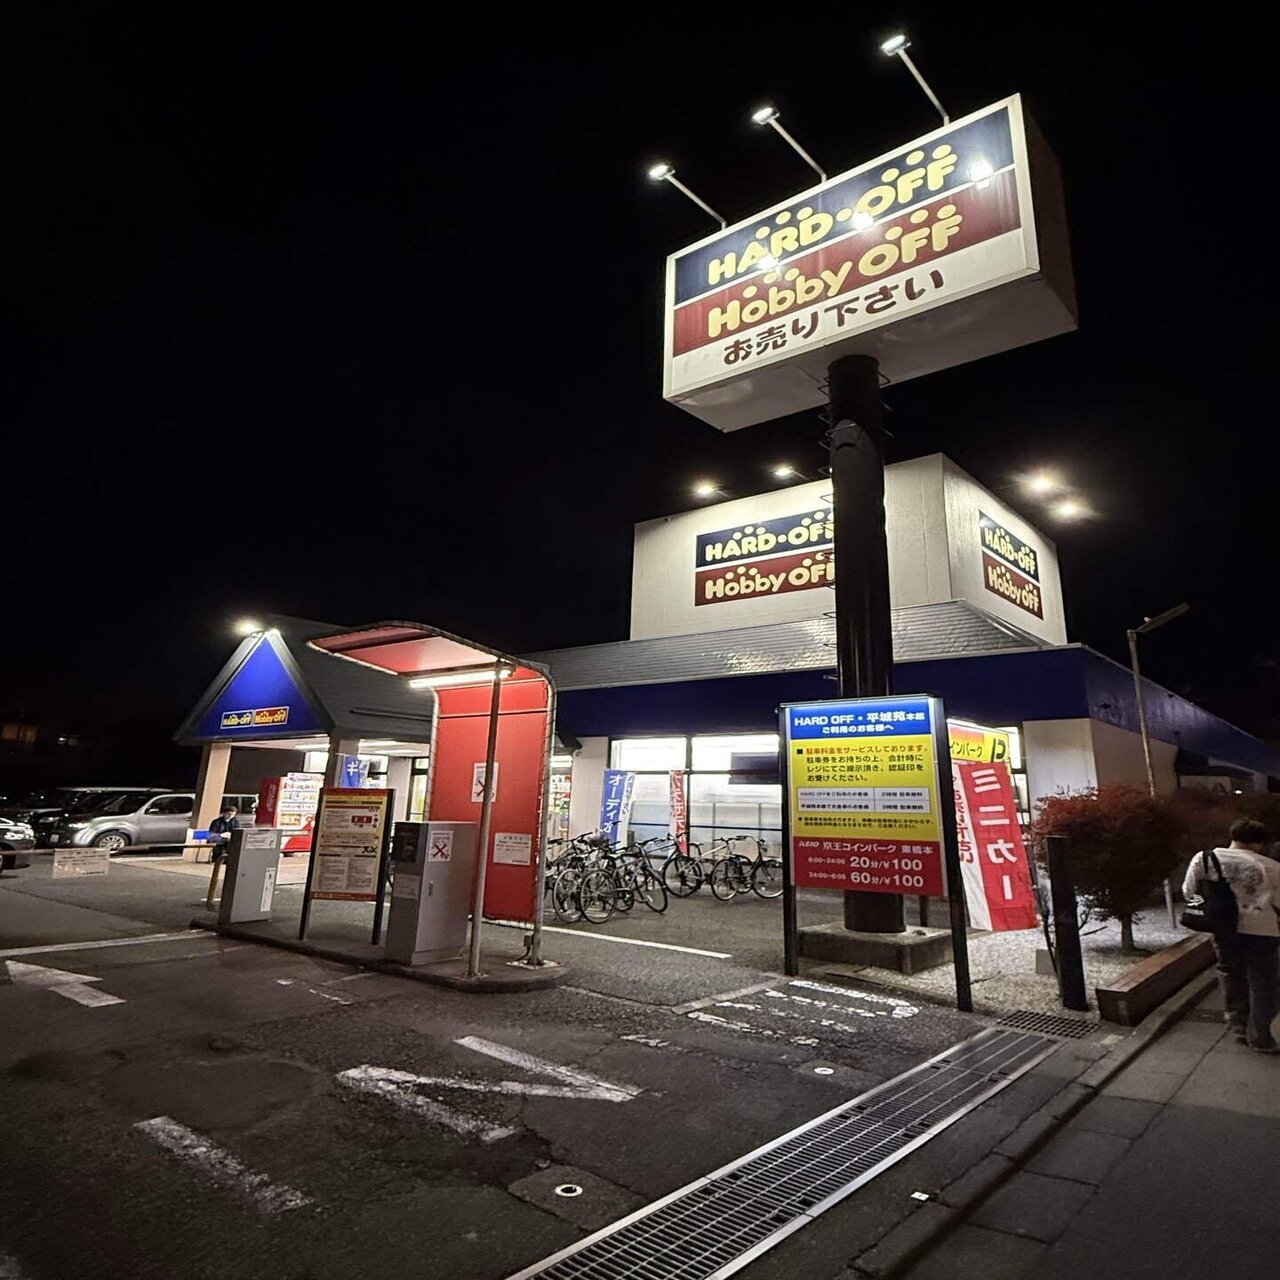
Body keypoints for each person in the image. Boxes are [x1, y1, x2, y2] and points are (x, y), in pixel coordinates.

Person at [1183, 818, 1280, 1053]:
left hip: (1225, 929)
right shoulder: (1272, 867)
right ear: (1259, 843)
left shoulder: (1205, 858)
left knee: (1231, 973)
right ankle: (1260, 1036)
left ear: (1233, 837)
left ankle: (1238, 1026)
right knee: (1264, 983)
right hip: (1262, 930)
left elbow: (1189, 891)